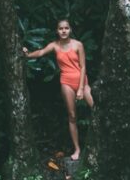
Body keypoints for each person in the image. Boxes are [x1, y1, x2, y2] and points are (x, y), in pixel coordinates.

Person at [22, 19, 94, 162]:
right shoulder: (54, 46)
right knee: (72, 116)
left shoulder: (78, 45)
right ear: (57, 31)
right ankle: (77, 149)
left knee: (95, 108)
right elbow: (41, 52)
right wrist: (28, 54)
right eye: (61, 28)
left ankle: (100, 140)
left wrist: (80, 88)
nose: (63, 31)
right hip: (66, 82)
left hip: (82, 82)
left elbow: (83, 67)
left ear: (70, 29)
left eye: (66, 28)